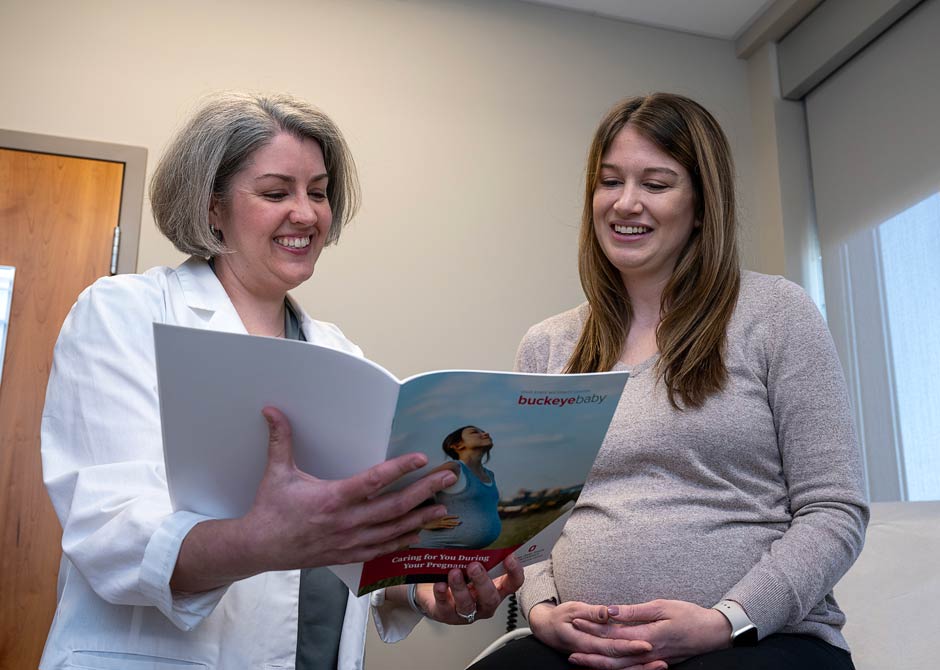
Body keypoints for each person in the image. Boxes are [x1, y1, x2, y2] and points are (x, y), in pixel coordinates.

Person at [39, 92, 522, 670]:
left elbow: (349, 553)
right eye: (275, 193)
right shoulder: (125, 315)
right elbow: (110, 533)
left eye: (317, 192)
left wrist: (424, 589)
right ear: (212, 206)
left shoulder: (340, 354)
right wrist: (261, 540)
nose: (307, 213)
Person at [470, 93, 868, 670]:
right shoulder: (548, 345)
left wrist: (727, 619)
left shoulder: (776, 314)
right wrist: (541, 612)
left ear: (703, 204)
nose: (626, 204)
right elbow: (529, 522)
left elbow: (835, 510)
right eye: (610, 181)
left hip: (757, 640)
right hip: (579, 647)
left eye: (656, 184)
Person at [418, 426, 503, 549]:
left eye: (483, 431)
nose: (485, 433)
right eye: (474, 432)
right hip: (434, 551)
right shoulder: (453, 468)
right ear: (457, 445)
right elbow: (416, 489)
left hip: (465, 555)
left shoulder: (490, 474)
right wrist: (424, 520)